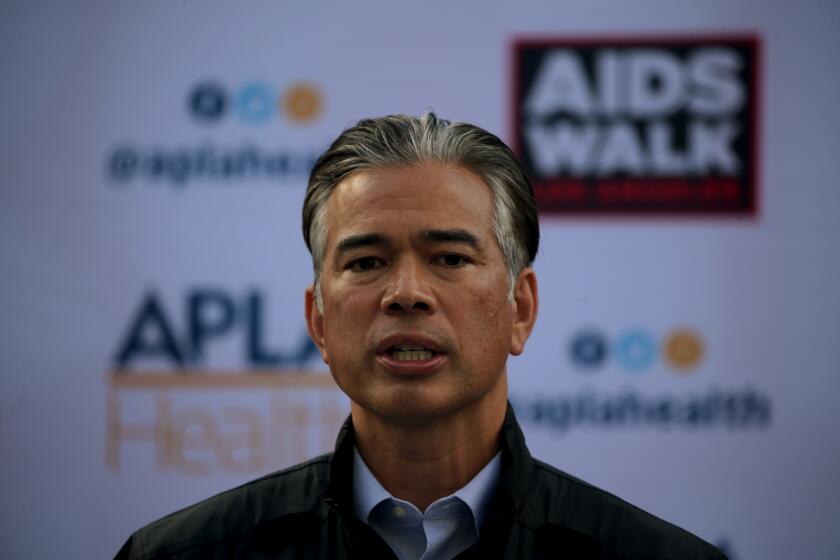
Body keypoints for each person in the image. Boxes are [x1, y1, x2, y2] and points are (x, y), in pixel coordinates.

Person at [116, 113, 726, 559]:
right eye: (366, 262)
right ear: (319, 322)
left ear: (521, 308)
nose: (406, 292)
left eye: (450, 258)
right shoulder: (180, 555)